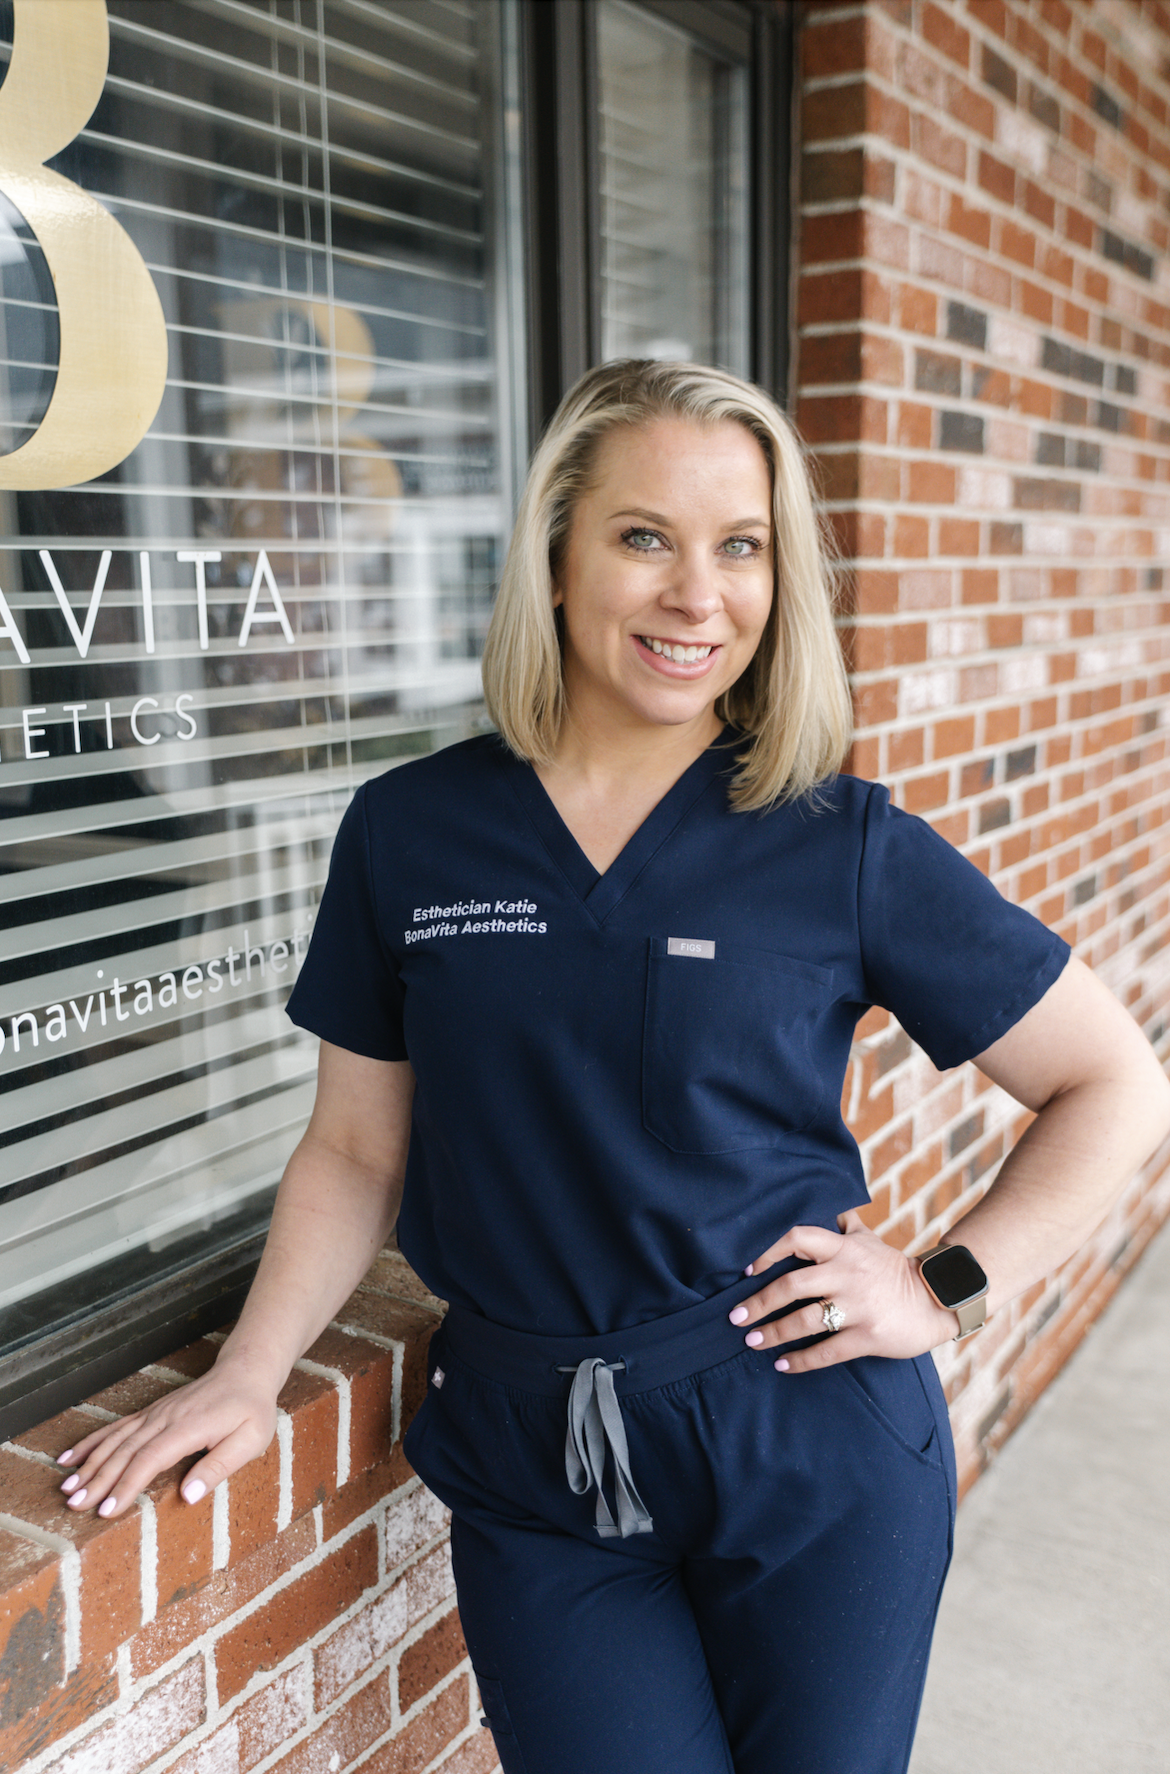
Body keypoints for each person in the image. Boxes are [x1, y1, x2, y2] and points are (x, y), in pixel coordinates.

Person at [57, 360, 1170, 1774]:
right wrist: (251, 1371)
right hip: (532, 1456)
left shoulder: (836, 840)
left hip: (802, 1432)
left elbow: (1114, 1082)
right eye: (645, 536)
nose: (696, 594)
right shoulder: (411, 830)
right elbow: (355, 1149)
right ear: (558, 557)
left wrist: (943, 1285)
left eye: (741, 546)